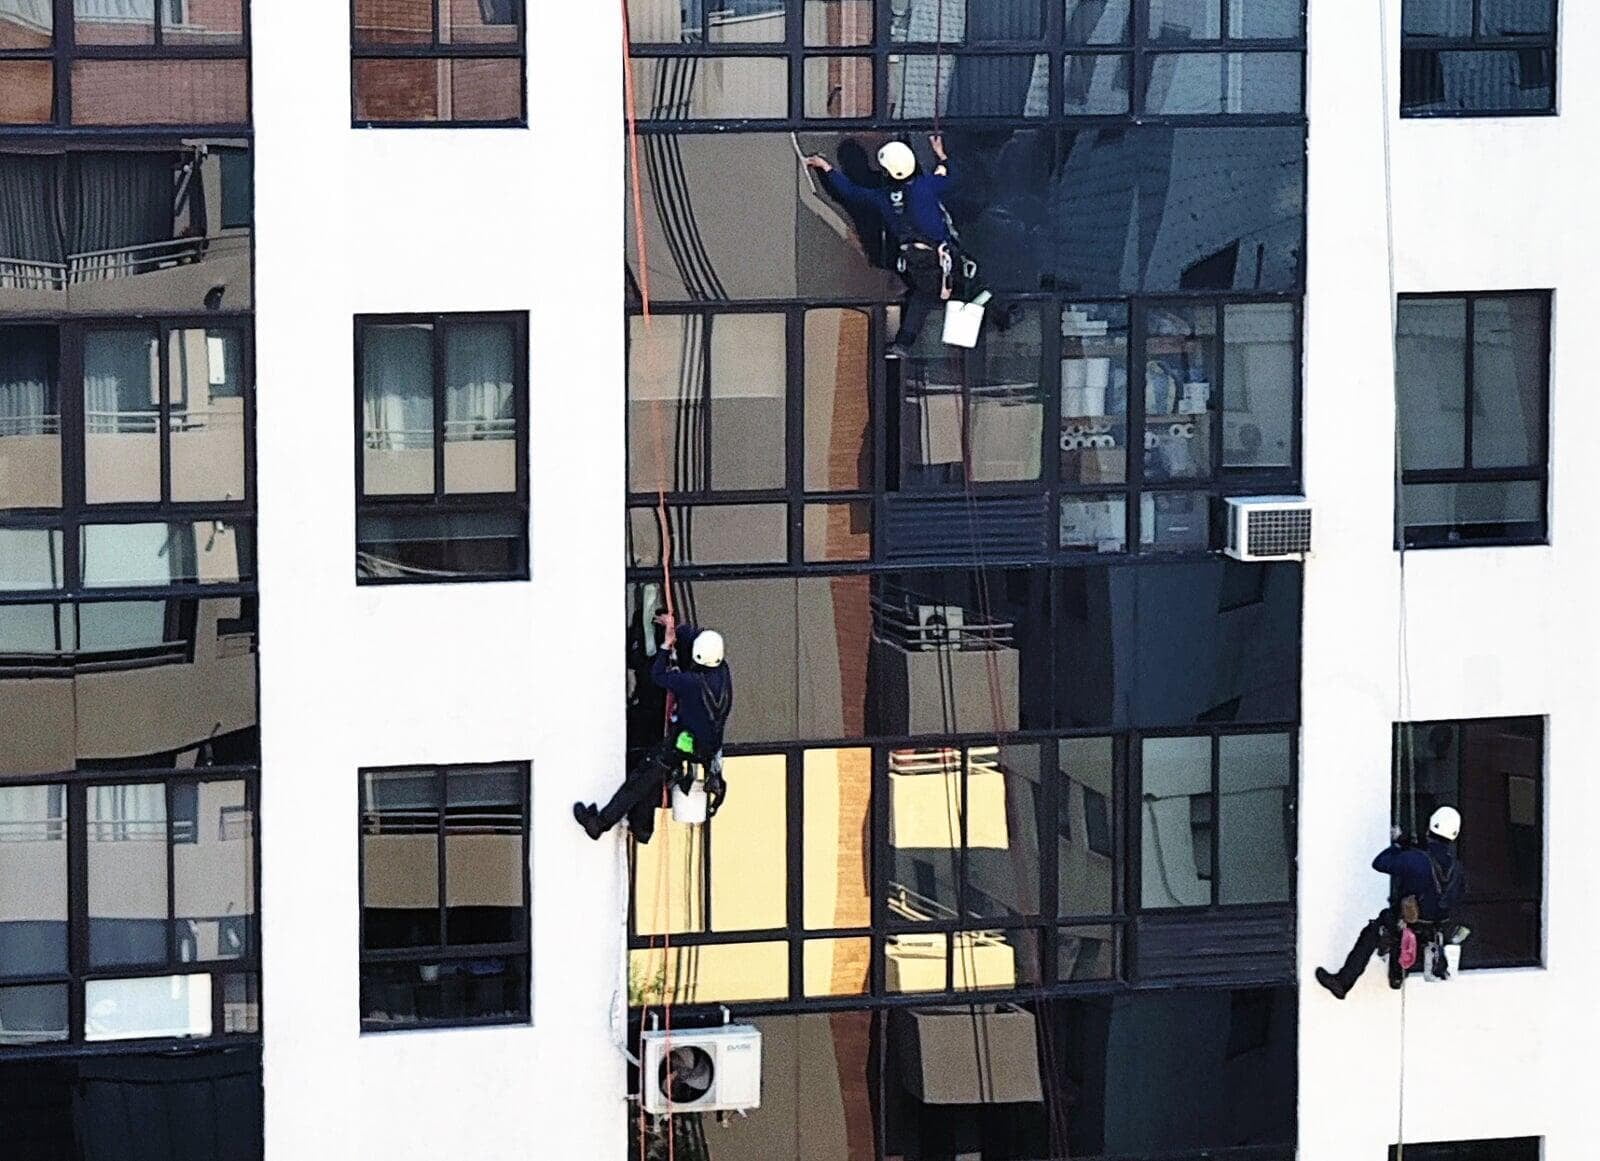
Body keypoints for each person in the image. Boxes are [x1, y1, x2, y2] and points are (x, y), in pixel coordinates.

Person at [574, 615, 732, 843]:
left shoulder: (691, 683)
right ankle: (640, 827)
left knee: (641, 779)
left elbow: (657, 676)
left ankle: (599, 824)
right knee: (650, 775)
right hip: (706, 747)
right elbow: (696, 640)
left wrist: (666, 645)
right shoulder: (723, 673)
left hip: (684, 745)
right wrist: (674, 628)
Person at [805, 136, 963, 357]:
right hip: (938, 255)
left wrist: (826, 168)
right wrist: (942, 157)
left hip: (913, 258)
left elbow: (851, 192)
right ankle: (970, 334)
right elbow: (953, 180)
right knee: (968, 288)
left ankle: (907, 343)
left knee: (922, 296)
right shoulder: (925, 186)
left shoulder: (884, 197)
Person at [1314, 806, 1466, 999]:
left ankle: (1344, 982)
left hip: (1407, 922)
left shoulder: (1416, 858)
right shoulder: (1456, 867)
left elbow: (1380, 862)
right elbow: (1458, 895)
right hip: (1435, 928)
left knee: (1376, 930)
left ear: (1430, 828)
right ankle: (1396, 976)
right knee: (1400, 929)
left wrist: (1398, 845)